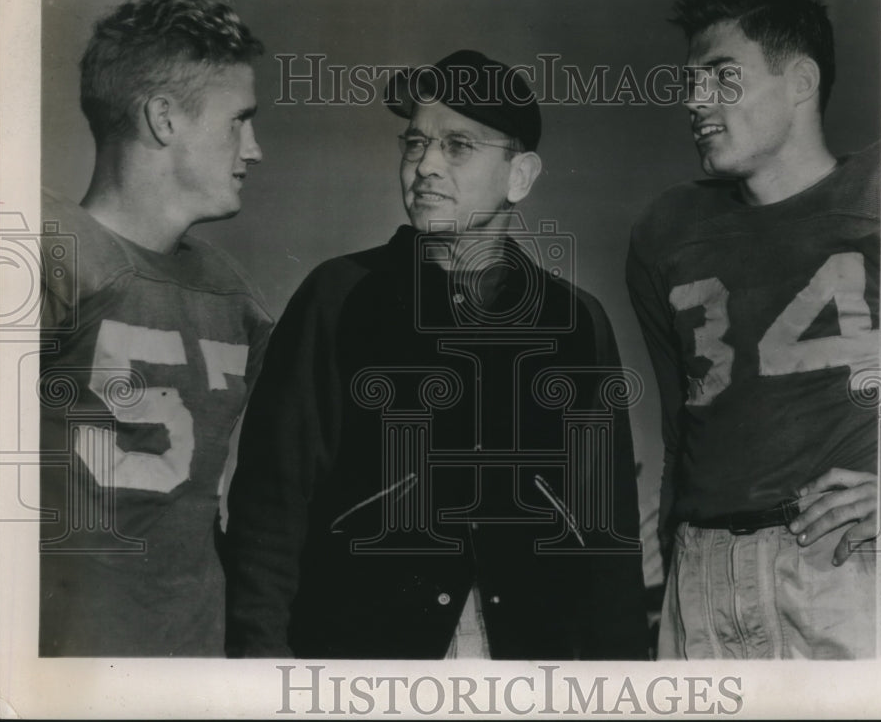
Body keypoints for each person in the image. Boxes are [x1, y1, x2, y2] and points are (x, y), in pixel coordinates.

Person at [225, 50, 648, 659]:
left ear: (520, 176)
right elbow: (270, 508)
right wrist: (264, 672)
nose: (424, 166)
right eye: (414, 143)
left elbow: (607, 539)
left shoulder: (577, 325)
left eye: (458, 146)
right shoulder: (339, 297)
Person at [627, 0, 880, 659]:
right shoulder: (667, 230)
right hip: (701, 572)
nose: (693, 101)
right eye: (689, 81)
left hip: (838, 561)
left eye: (720, 77)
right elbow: (680, 432)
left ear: (800, 81)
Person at [39, 0, 272, 656]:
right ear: (164, 118)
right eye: (238, 121)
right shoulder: (46, 253)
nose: (253, 150)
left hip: (198, 657)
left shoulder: (236, 298)